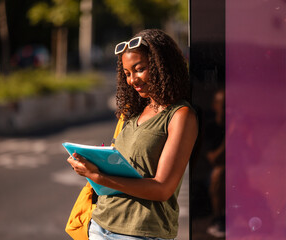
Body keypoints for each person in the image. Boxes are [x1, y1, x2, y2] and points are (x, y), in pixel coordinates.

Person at [67, 29, 198, 240]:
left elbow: (162, 189)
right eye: (127, 73)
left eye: (140, 69)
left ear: (162, 66)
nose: (132, 80)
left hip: (141, 233)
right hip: (100, 225)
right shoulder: (132, 112)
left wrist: (97, 176)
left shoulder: (180, 115)